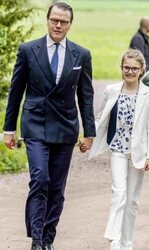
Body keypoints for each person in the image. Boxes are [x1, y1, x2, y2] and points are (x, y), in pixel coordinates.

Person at [3, 2, 96, 250]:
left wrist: (89, 133)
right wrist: (8, 129)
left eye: (63, 21)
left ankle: (47, 238)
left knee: (56, 186)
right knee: (40, 179)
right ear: (48, 20)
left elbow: (86, 97)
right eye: (54, 20)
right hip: (35, 125)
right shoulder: (28, 50)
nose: (58, 25)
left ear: (70, 25)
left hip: (65, 127)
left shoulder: (81, 55)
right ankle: (36, 239)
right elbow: (16, 91)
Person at [86, 49, 149, 250]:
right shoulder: (111, 91)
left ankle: (127, 242)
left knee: (132, 201)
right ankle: (114, 239)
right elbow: (101, 118)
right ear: (121, 68)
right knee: (119, 192)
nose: (130, 71)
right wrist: (90, 139)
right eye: (126, 67)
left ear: (142, 70)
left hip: (138, 152)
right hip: (117, 149)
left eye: (134, 68)